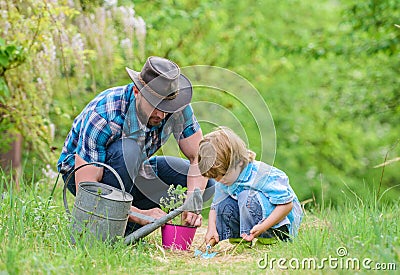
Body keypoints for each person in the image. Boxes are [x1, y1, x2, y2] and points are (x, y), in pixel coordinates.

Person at [57, 56, 214, 234]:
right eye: (155, 105)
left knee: (205, 185)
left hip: (133, 169)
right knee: (128, 150)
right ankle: (111, 226)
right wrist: (139, 214)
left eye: (167, 107)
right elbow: (87, 188)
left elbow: (199, 158)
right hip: (85, 175)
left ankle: (128, 226)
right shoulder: (104, 116)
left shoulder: (176, 107)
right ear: (137, 91)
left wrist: (192, 202)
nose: (161, 115)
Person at [198, 127, 302, 245]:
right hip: (257, 222)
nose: (219, 181)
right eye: (215, 177)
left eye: (222, 175)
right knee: (224, 203)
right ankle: (240, 239)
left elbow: (287, 205)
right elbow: (215, 205)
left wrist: (263, 227)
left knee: (246, 196)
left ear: (239, 163)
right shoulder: (226, 178)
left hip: (279, 225)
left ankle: (269, 239)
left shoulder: (261, 176)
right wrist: (211, 228)